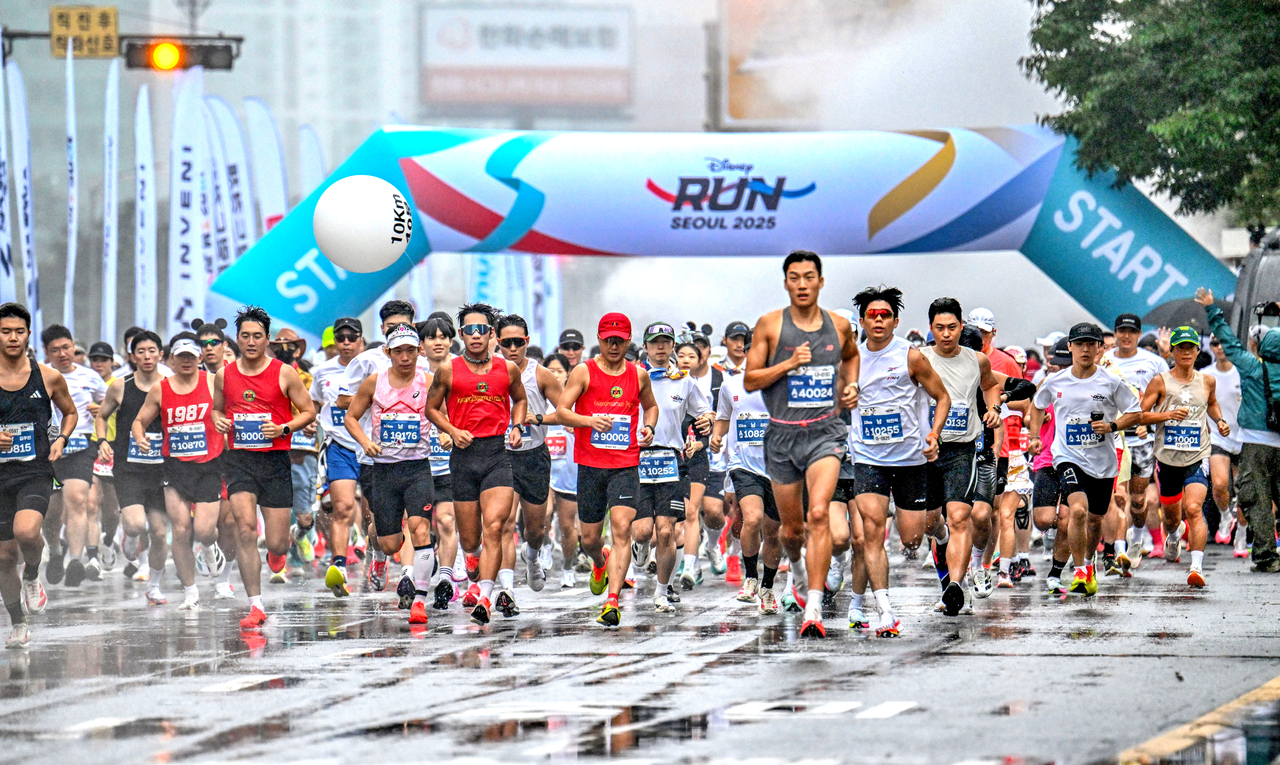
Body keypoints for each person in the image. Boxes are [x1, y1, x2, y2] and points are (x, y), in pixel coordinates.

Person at [744, 250, 860, 638]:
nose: (802, 284)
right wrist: (788, 364)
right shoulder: (770, 326)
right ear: (786, 283)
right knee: (790, 532)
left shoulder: (839, 325)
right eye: (794, 277)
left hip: (825, 433)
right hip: (781, 436)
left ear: (821, 282)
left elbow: (852, 356)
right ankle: (795, 569)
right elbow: (750, 381)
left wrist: (850, 386)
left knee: (820, 514)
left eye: (809, 277)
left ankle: (814, 604)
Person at [850, 286, 952, 635]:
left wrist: (934, 434)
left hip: (910, 459)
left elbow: (942, 397)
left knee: (911, 538)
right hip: (866, 457)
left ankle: (940, 534)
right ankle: (885, 611)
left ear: (895, 320)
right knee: (871, 533)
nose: (878, 320)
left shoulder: (911, 357)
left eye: (885, 315)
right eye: (872, 315)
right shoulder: (851, 361)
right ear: (862, 320)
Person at [212, 306, 316, 628]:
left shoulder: (284, 373)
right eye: (245, 336)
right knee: (244, 529)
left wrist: (284, 429)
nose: (251, 341)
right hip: (240, 461)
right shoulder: (224, 374)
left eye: (258, 336)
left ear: (267, 339)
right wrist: (218, 420)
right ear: (238, 339)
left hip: (274, 462)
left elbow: (308, 412)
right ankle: (255, 606)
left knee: (276, 542)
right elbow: (217, 411)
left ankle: (278, 554)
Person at [425, 303, 528, 625]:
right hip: (464, 457)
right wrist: (452, 431)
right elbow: (431, 409)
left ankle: (485, 595)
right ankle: (471, 563)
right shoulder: (449, 370)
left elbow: (521, 399)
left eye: (481, 329)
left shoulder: (507, 369)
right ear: (462, 335)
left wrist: (517, 426)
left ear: (492, 334)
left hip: (497, 454)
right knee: (470, 540)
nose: (475, 336)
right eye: (469, 330)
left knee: (495, 528)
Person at [555, 312, 659, 627]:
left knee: (622, 529)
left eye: (620, 340)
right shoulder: (583, 373)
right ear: (599, 340)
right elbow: (561, 411)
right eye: (608, 340)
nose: (614, 345)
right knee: (588, 539)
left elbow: (650, 405)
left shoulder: (639, 375)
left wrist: (650, 427)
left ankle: (612, 601)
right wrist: (589, 421)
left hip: (625, 463)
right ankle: (600, 563)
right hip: (590, 465)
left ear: (629, 341)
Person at [1028, 323, 1141, 596]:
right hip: (1067, 457)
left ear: (1100, 348)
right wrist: (1034, 437)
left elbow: (1135, 413)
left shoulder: (1111, 382)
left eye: (1092, 343)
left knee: (1094, 520)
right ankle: (1079, 571)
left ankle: (1088, 565)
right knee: (1077, 511)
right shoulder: (1055, 381)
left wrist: (1112, 426)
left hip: (1102, 463)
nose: (1086, 349)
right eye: (1080, 344)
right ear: (1070, 347)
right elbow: (1037, 405)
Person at [344, 324, 438, 625]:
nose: (406, 357)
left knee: (420, 531)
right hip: (383, 469)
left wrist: (446, 434)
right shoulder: (374, 382)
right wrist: (365, 442)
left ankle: (420, 601)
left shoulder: (429, 381)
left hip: (417, 467)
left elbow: (444, 413)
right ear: (388, 353)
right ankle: (382, 556)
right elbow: (350, 417)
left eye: (411, 350)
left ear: (418, 351)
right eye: (399, 351)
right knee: (389, 543)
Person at [919, 299, 1003, 616]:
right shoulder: (919, 359)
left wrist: (993, 409)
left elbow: (991, 386)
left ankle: (956, 586)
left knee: (959, 517)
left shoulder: (976, 360)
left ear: (961, 327)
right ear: (931, 329)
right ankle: (941, 545)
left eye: (952, 327)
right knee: (928, 525)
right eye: (939, 328)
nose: (946, 334)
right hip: (925, 452)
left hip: (961, 449)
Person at [130, 333, 226, 610]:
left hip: (209, 465)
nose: (186, 361)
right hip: (175, 467)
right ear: (171, 359)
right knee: (181, 530)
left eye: (191, 356)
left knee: (205, 530)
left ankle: (209, 546)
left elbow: (228, 411)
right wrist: (139, 436)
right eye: (180, 357)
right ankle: (190, 592)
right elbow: (140, 420)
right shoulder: (161, 389)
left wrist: (223, 424)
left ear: (199, 358)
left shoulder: (212, 382)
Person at [0, 303, 77, 647]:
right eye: (5, 331)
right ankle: (18, 624)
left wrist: (61, 438)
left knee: (27, 532)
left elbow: (70, 412)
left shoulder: (47, 376)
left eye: (18, 331)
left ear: (29, 334)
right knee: (3, 556)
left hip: (34, 470)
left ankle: (33, 574)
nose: (12, 337)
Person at [335, 300, 417, 591]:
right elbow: (343, 401)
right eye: (392, 327)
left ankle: (408, 576)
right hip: (375, 456)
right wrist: (377, 396)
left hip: (413, 454)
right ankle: (378, 554)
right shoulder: (367, 361)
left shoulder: (419, 360)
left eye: (404, 327)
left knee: (412, 517)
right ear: (382, 329)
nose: (398, 332)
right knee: (384, 525)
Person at [1138, 326, 1227, 587]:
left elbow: (1211, 403)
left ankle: (1196, 567)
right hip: (1167, 458)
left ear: (1198, 351)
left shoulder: (1207, 381)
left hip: (1197, 454)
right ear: (1173, 352)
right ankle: (1174, 534)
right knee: (1172, 516)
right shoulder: (1160, 381)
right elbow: (1140, 414)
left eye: (1190, 347)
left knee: (1193, 508)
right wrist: (1167, 415)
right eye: (1181, 348)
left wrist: (1219, 420)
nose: (1186, 352)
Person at [1199, 287, 1280, 572]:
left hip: (1255, 443)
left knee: (1257, 500)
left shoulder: (1254, 369)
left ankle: (1267, 558)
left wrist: (1212, 308)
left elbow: (1230, 345)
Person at [635, 323, 712, 612]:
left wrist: (707, 422)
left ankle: (662, 591)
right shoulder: (634, 376)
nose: (660, 347)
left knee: (666, 532)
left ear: (673, 347)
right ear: (645, 347)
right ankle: (640, 548)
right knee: (644, 531)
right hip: (637, 459)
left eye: (666, 342)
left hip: (671, 458)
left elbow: (704, 412)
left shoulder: (685, 380)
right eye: (655, 342)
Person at [711, 325, 785, 615]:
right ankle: (751, 578)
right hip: (744, 466)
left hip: (779, 469)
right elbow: (723, 419)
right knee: (751, 519)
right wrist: (717, 437)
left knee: (774, 532)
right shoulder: (731, 385)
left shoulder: (785, 385)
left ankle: (767, 587)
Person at [95, 331, 170, 604]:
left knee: (160, 533)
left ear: (161, 355)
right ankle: (130, 535)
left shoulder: (171, 385)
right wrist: (103, 440)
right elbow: (102, 416)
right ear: (131, 356)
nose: (147, 356)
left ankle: (155, 586)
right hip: (129, 467)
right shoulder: (120, 385)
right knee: (137, 525)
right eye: (141, 351)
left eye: (152, 351)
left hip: (162, 468)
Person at [497, 314, 563, 593]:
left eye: (518, 342)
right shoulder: (489, 371)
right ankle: (506, 591)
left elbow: (564, 413)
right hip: (501, 457)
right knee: (504, 523)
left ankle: (533, 556)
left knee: (535, 529)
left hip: (534, 455)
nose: (512, 348)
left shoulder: (540, 374)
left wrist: (537, 419)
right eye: (506, 342)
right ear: (496, 342)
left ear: (527, 342)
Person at [40, 324, 108, 587]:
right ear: (46, 352)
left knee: (78, 500)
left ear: (73, 347)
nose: (62, 354)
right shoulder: (39, 376)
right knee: (50, 513)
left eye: (66, 347)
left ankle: (76, 561)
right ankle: (56, 552)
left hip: (80, 444)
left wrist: (98, 408)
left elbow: (108, 402)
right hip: (47, 449)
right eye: (55, 350)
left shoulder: (89, 376)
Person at [1103, 314, 1168, 561]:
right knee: (1119, 498)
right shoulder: (1105, 361)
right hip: (1113, 440)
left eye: (1131, 331)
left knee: (1139, 500)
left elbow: (1167, 397)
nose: (1126, 336)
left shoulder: (1153, 362)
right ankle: (1119, 549)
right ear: (1116, 333)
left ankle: (1138, 536)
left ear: (1139, 334)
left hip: (1141, 439)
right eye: (1121, 331)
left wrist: (1149, 423)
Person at [309, 316, 365, 597]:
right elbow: (315, 403)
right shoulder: (323, 371)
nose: (345, 343)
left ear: (361, 340)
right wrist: (310, 421)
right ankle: (339, 567)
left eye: (351, 338)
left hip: (372, 447)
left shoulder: (375, 368)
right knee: (342, 507)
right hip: (339, 446)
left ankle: (377, 555)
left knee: (375, 515)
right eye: (340, 338)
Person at [419, 315, 462, 607]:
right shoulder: (410, 371)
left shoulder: (462, 369)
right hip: (417, 463)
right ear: (421, 345)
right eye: (431, 337)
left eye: (443, 337)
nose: (438, 342)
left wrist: (452, 431)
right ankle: (417, 573)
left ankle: (445, 579)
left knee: (447, 521)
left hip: (451, 463)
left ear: (450, 341)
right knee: (420, 527)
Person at [270, 328, 320, 579]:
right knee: (277, 507)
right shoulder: (265, 377)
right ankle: (282, 560)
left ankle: (301, 534)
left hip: (303, 449)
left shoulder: (308, 379)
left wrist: (309, 422)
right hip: (274, 449)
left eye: (289, 345)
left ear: (298, 349)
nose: (283, 350)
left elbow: (312, 408)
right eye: (278, 346)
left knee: (303, 514)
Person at [1203, 334, 1245, 556]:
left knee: (1245, 492)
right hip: (1217, 438)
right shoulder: (1205, 375)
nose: (1219, 347)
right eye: (1214, 344)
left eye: (1223, 343)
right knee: (1219, 485)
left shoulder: (1243, 372)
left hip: (1244, 436)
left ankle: (1241, 534)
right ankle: (1225, 516)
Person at [542, 353, 580, 588]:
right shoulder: (537, 399)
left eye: (559, 371)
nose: (555, 375)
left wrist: (578, 426)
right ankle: (545, 543)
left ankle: (568, 566)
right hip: (544, 468)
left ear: (568, 374)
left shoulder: (576, 400)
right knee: (543, 514)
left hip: (569, 470)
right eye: (551, 370)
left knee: (567, 526)